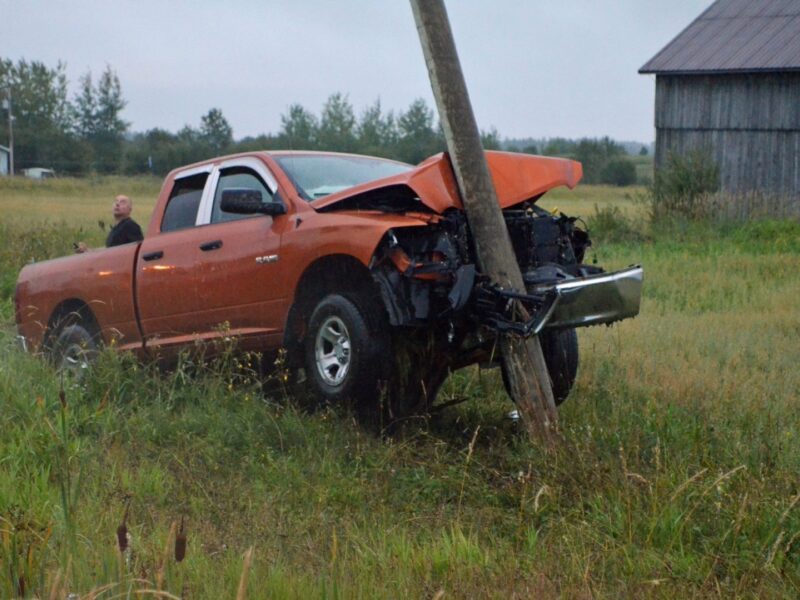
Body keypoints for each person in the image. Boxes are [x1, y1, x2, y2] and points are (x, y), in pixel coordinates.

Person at [75, 194, 144, 253]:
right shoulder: (117, 227)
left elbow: (138, 251)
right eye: (116, 201)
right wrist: (88, 250)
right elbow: (109, 249)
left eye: (122, 202)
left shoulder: (131, 226)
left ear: (130, 209)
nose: (117, 204)